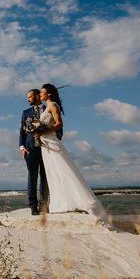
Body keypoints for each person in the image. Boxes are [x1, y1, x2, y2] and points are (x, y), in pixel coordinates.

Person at [36, 83, 108, 221]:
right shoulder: (47, 108)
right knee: (53, 172)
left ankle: (83, 201)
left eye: (42, 92)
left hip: (52, 141)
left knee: (63, 169)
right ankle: (60, 203)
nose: (40, 94)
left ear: (48, 94)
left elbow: (59, 124)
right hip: (45, 144)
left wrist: (43, 132)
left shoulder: (53, 105)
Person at [19, 89, 48, 215]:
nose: (28, 99)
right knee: (32, 178)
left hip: (47, 149)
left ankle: (44, 205)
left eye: (30, 97)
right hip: (30, 149)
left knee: (45, 178)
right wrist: (22, 147)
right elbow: (21, 131)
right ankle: (33, 206)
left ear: (37, 96)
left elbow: (58, 126)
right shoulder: (26, 112)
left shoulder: (49, 109)